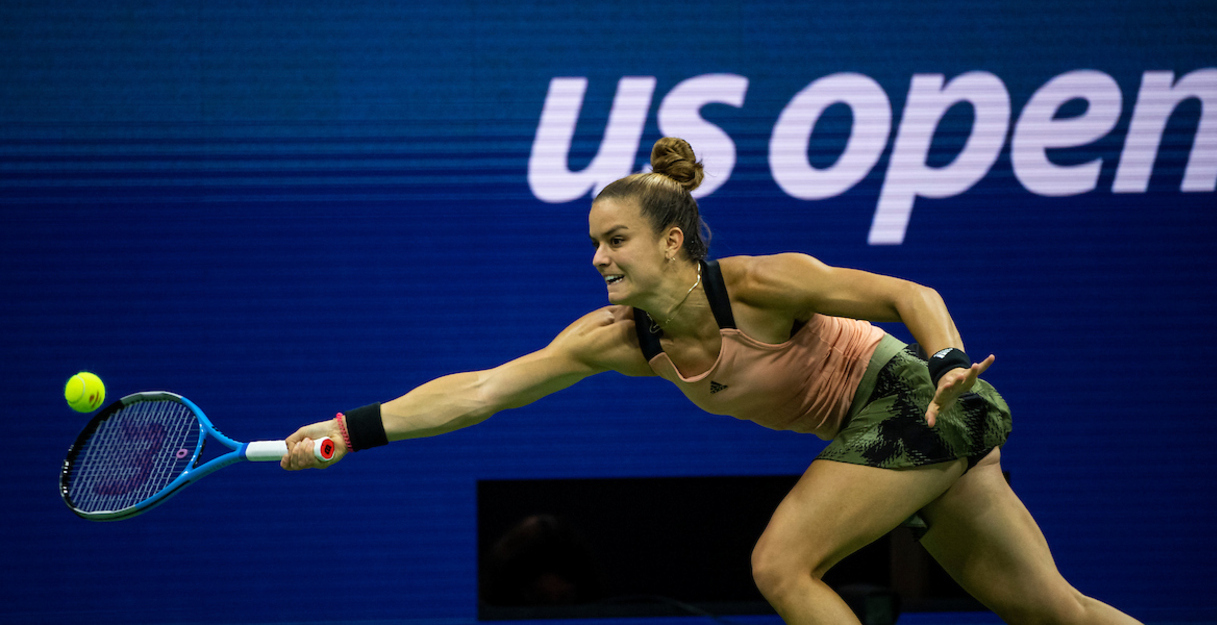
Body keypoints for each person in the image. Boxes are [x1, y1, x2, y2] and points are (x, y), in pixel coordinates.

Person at [282, 137, 1142, 625]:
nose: (597, 256)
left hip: (916, 400)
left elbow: (907, 293)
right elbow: (479, 390)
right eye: (593, 240)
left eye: (615, 239)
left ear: (670, 241)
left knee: (780, 562)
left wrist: (949, 360)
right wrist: (349, 430)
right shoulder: (619, 339)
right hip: (900, 440)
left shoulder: (759, 285)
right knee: (1051, 613)